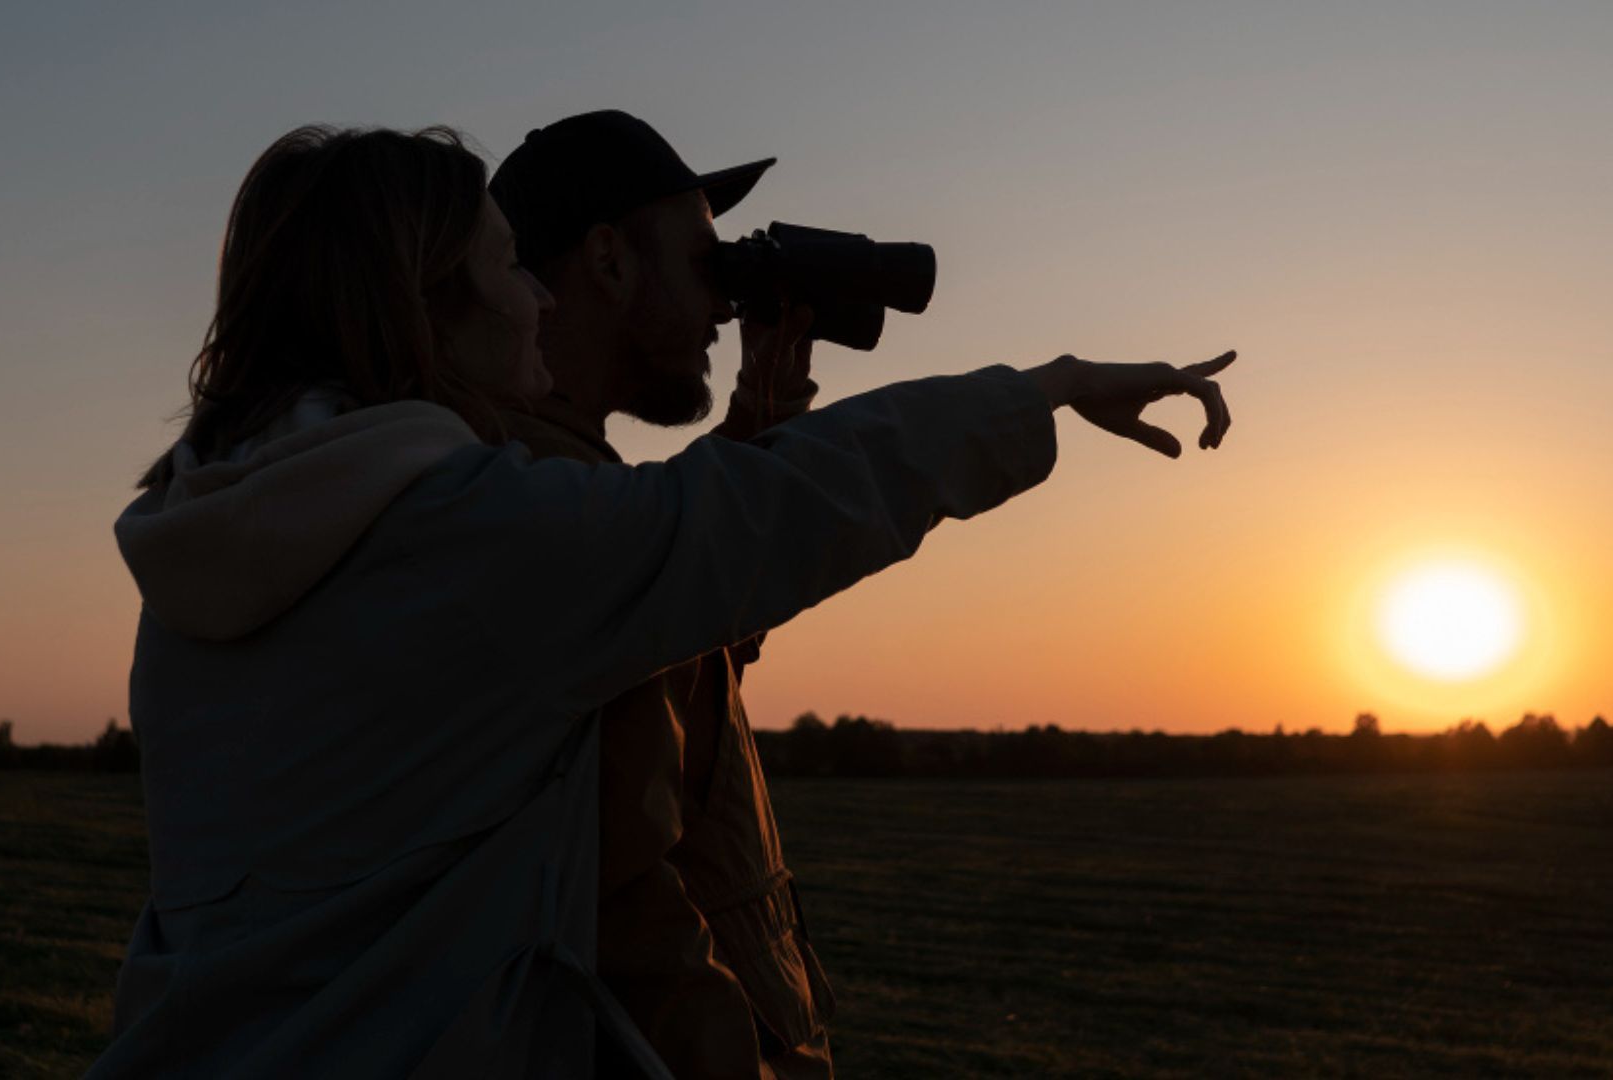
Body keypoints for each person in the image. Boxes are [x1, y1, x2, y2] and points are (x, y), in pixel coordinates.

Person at [91, 122, 1236, 1078]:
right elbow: (752, 520)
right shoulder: (472, 536)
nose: (532, 303)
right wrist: (1048, 389)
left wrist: (741, 453)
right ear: (425, 304)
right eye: (505, 268)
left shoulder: (226, 529)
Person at [484, 110, 834, 1079]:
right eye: (704, 259)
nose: (727, 304)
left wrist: (762, 414)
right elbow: (633, 914)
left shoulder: (555, 486)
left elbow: (686, 645)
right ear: (607, 259)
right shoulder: (542, 512)